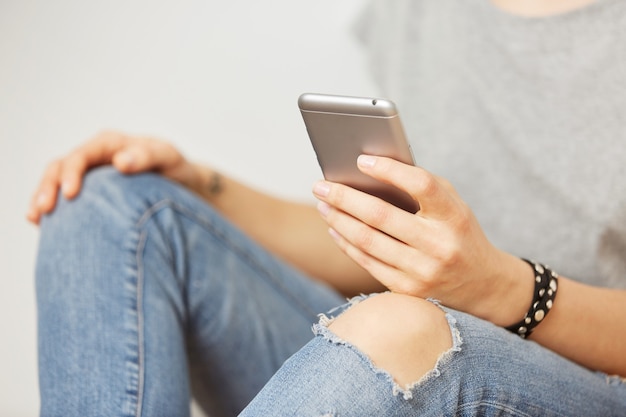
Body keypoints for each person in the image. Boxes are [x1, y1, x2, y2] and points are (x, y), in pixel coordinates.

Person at [28, 0, 626, 416]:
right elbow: (390, 248)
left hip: (595, 384)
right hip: (410, 343)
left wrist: (506, 291)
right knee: (109, 204)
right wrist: (201, 186)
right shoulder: (425, 12)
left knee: (398, 330)